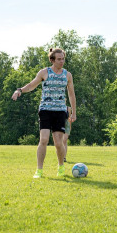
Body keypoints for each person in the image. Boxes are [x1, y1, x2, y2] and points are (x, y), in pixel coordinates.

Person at [12, 48, 76, 178]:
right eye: (59, 59)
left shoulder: (67, 75)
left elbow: (71, 94)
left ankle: (61, 167)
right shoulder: (44, 72)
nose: (62, 61)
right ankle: (39, 170)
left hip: (60, 111)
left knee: (59, 143)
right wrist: (19, 90)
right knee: (44, 139)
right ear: (52, 60)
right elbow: (31, 85)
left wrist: (74, 112)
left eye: (63, 58)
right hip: (45, 110)